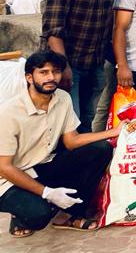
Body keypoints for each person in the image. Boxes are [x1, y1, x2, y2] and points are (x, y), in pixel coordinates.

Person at [0, 52, 120, 237]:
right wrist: (47, 192)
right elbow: (4, 167)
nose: (51, 77)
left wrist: (113, 132)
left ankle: (71, 215)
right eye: (43, 72)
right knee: (39, 215)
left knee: (100, 149)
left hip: (42, 166)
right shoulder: (8, 112)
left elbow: (72, 141)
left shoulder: (62, 98)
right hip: (9, 179)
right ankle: (20, 213)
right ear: (29, 77)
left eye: (55, 71)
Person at [41, 0, 129, 131]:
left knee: (87, 121)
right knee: (67, 124)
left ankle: (84, 154)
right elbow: (53, 24)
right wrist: (62, 66)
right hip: (67, 61)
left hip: (95, 62)